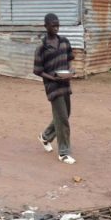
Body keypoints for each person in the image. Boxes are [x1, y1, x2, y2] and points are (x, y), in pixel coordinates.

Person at [33, 13, 76, 164]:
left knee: (65, 114)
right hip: (52, 86)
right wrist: (53, 78)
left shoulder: (64, 42)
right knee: (62, 118)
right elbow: (37, 70)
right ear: (46, 26)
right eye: (53, 25)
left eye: (58, 25)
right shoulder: (41, 48)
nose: (56, 28)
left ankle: (45, 136)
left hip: (65, 84)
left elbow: (70, 59)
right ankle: (63, 152)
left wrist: (71, 71)